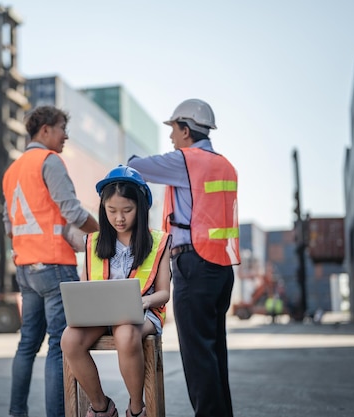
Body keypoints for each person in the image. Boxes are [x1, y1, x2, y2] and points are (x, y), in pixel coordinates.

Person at [128, 98, 240, 417]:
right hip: (221, 268)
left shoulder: (186, 161)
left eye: (174, 131)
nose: (172, 139)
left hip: (194, 264)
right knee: (214, 353)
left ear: (187, 129)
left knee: (197, 357)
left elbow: (136, 165)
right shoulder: (225, 165)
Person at [2, 105, 99, 417]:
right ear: (44, 130)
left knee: (27, 346)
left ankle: (17, 413)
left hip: (25, 269)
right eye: (61, 129)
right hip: (55, 265)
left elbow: (8, 226)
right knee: (62, 345)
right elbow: (72, 211)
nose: (65, 136)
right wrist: (102, 232)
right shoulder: (49, 161)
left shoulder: (12, 171)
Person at [61, 165, 172, 417]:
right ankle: (102, 407)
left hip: (144, 313)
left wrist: (140, 302)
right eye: (111, 211)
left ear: (141, 209)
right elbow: (85, 285)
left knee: (125, 334)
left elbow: (164, 293)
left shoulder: (159, 242)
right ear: (103, 209)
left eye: (127, 210)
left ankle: (135, 408)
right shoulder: (93, 242)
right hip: (101, 315)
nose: (119, 218)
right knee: (69, 339)